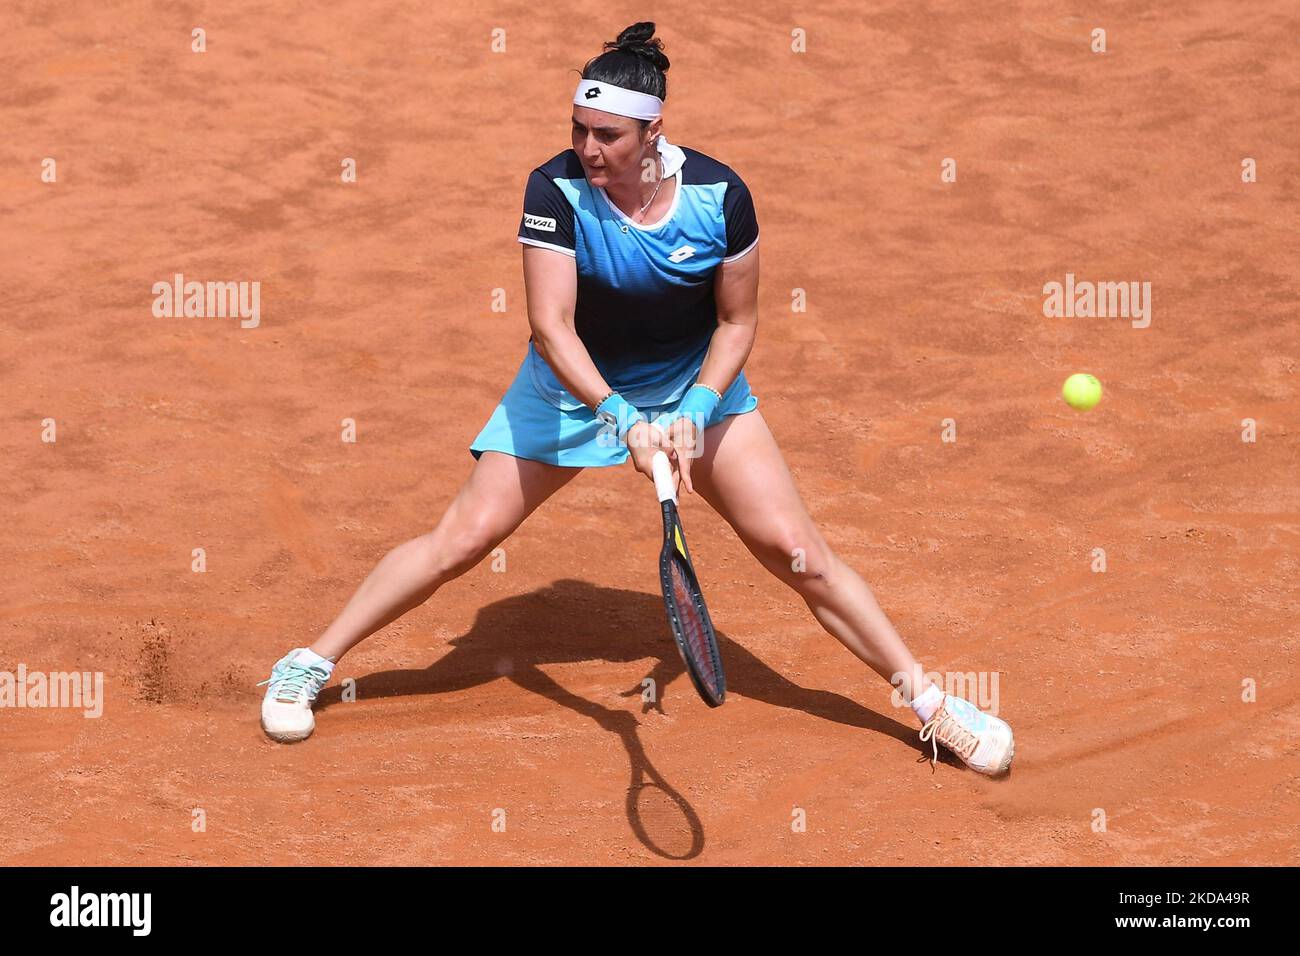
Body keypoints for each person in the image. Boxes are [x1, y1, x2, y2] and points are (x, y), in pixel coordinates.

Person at [258, 21, 1014, 776]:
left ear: (655, 131)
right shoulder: (554, 188)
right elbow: (552, 327)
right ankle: (310, 662)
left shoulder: (720, 195)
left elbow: (737, 321)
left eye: (609, 136)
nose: (589, 149)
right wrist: (619, 416)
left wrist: (696, 407)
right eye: (579, 130)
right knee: (461, 540)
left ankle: (932, 707)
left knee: (800, 555)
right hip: (570, 391)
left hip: (693, 391)